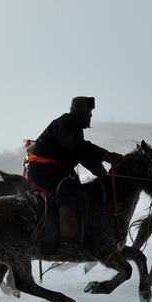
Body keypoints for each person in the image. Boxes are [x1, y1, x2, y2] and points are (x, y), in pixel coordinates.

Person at [27, 96, 124, 249]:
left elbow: (78, 152)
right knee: (70, 191)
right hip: (44, 170)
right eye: (89, 112)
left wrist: (96, 168)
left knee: (81, 191)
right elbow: (77, 146)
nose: (91, 116)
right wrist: (106, 155)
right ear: (81, 112)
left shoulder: (73, 126)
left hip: (56, 169)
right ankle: (67, 240)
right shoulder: (67, 123)